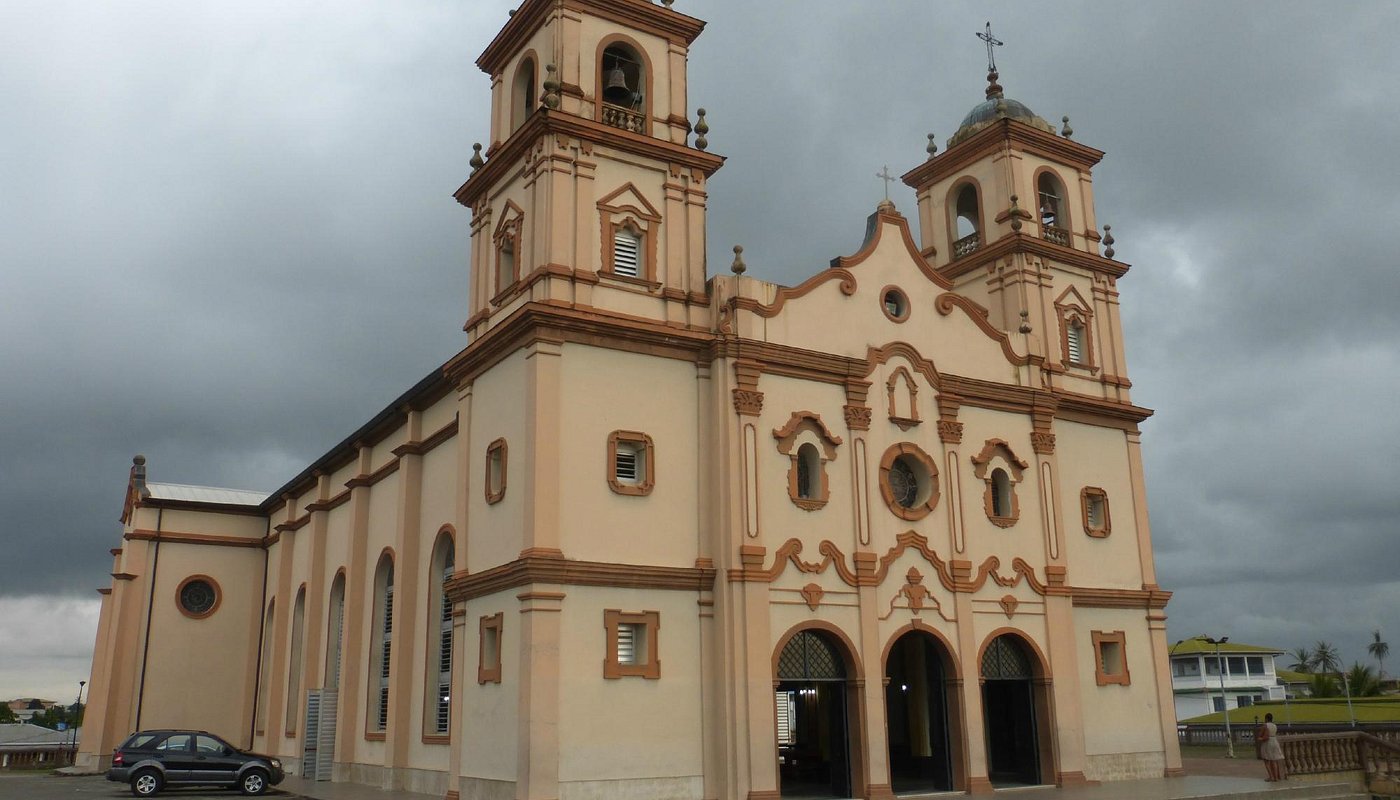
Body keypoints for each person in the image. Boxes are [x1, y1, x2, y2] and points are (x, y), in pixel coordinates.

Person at [1258, 712, 1287, 781]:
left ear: (1266, 718)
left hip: (1268, 743)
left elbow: (1262, 735)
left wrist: (1260, 738)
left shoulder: (1265, 725)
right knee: (1274, 760)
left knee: (1266, 760)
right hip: (1274, 741)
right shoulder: (1274, 725)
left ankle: (1271, 776)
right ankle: (1276, 777)